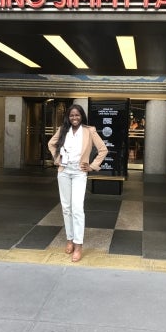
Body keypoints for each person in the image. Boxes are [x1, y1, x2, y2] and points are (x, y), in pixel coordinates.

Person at [48, 104, 108, 262]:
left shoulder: (89, 130)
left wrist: (92, 166)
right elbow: (51, 144)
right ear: (68, 117)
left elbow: (103, 150)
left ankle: (78, 244)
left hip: (79, 172)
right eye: (71, 115)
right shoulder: (63, 130)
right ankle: (69, 239)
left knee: (77, 209)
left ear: (82, 116)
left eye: (77, 115)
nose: (74, 118)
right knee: (66, 208)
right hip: (64, 172)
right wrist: (57, 159)